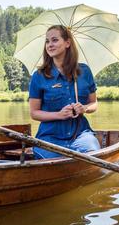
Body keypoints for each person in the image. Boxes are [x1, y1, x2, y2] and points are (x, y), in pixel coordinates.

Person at [28, 25, 100, 159]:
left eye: (55, 40)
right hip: (49, 138)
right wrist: (59, 115)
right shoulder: (38, 76)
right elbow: (34, 113)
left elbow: (94, 103)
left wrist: (84, 108)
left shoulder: (84, 72)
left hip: (81, 135)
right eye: (47, 41)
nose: (49, 45)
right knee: (50, 161)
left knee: (93, 156)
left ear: (67, 43)